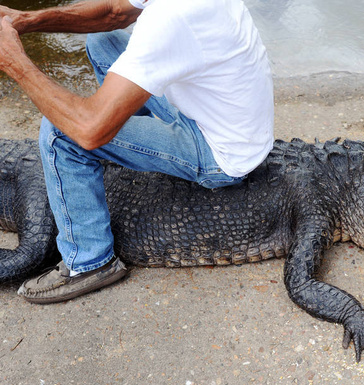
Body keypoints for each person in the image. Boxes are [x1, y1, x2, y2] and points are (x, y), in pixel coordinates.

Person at [0, 0, 274, 304]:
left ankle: (90, 261)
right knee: (103, 41)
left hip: (221, 153)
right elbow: (115, 12)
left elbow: (88, 130)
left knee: (59, 132)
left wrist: (14, 61)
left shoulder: (171, 17)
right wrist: (24, 19)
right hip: (215, 114)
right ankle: (128, 148)